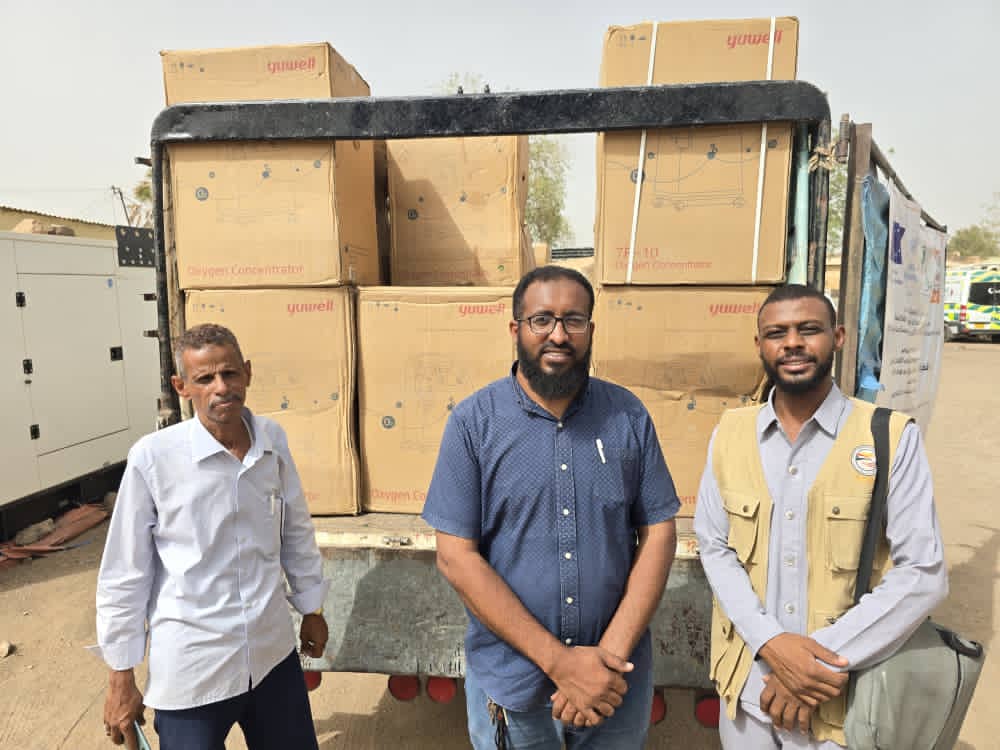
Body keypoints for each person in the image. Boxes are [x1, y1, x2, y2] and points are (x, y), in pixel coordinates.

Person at [422, 265, 680, 749]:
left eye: (573, 320)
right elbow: (456, 557)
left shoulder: (627, 416)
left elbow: (659, 533)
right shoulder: (474, 424)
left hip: (613, 684)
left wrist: (604, 661)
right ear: (515, 329)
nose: (558, 335)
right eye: (542, 320)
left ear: (591, 330)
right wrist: (562, 664)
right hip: (513, 681)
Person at [694, 284, 948, 749]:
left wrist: (813, 666)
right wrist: (771, 643)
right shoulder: (730, 433)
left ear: (839, 337)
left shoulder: (889, 436)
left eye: (808, 329)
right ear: (760, 345)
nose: (792, 343)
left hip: (841, 704)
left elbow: (923, 572)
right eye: (777, 333)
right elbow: (714, 546)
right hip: (748, 693)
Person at [95, 323, 329, 750]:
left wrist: (311, 607)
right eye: (205, 378)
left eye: (230, 373)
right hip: (194, 669)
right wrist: (120, 677)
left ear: (248, 373)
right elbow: (124, 574)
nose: (221, 387)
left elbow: (295, 528)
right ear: (182, 387)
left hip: (272, 655)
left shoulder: (272, 441)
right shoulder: (154, 459)